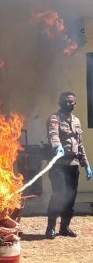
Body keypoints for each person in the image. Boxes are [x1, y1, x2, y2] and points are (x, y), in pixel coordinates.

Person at [46, 91, 91, 239]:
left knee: (71, 197)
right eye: (66, 101)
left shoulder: (76, 121)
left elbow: (80, 145)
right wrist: (57, 146)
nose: (68, 104)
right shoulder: (55, 119)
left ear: (75, 104)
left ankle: (64, 227)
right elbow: (53, 135)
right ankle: (50, 227)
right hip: (59, 165)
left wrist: (86, 164)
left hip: (73, 164)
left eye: (71, 102)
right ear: (60, 102)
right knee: (59, 195)